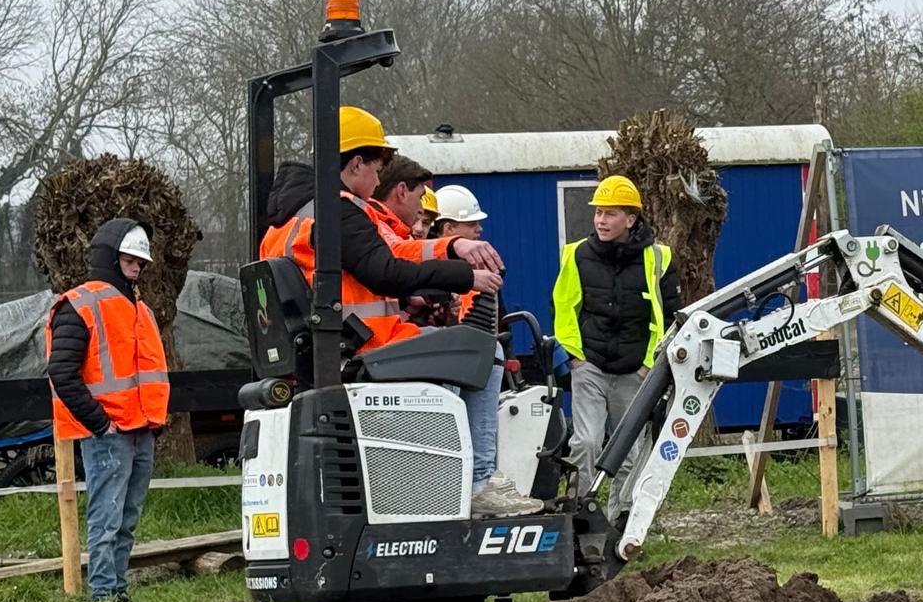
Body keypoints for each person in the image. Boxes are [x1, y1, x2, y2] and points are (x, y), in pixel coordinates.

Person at [259, 108, 528, 518]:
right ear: (356, 164)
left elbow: (382, 256)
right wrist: (464, 276)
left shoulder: (287, 222)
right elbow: (384, 270)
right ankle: (475, 482)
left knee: (459, 353)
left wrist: (446, 252)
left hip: (328, 349)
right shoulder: (338, 209)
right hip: (367, 344)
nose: (378, 180)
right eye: (377, 168)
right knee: (483, 352)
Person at [45, 220, 168, 602]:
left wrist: (151, 423)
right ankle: (104, 596)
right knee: (108, 518)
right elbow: (61, 372)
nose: (137, 267)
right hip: (111, 432)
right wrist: (101, 423)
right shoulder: (80, 304)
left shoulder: (140, 309)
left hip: (140, 428)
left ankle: (116, 593)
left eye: (140, 261)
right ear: (112, 258)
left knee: (125, 519)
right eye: (131, 260)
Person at [551, 175, 681, 523]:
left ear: (631, 219)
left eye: (610, 214)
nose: (600, 220)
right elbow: (563, 309)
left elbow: (671, 317)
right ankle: (578, 518)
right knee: (586, 443)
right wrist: (576, 357)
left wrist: (648, 365)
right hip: (590, 365)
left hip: (635, 369)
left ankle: (622, 521)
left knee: (630, 450)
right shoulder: (577, 255)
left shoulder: (659, 258)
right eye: (598, 213)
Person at [430, 183, 540, 514]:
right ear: (449, 229)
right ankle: (473, 482)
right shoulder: (440, 269)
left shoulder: (477, 271)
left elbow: (496, 323)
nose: (479, 229)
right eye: (471, 223)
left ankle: (481, 479)